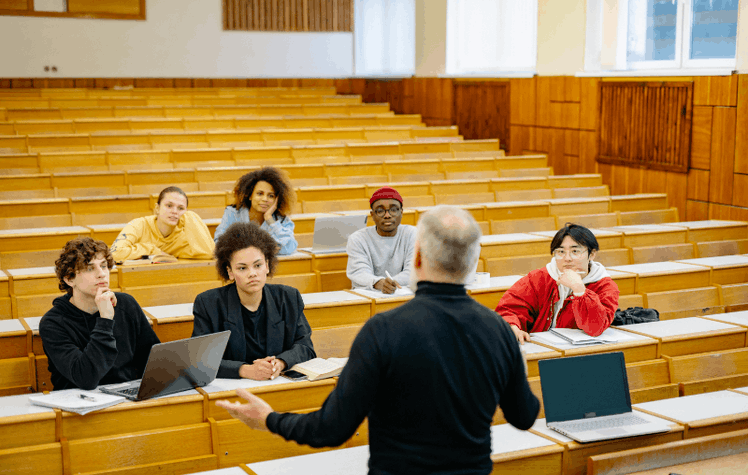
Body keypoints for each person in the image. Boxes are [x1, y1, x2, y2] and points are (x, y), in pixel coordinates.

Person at [217, 206, 540, 475]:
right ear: (472, 262)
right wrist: (515, 361)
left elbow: (331, 428)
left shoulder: (383, 330)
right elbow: (524, 416)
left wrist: (269, 419)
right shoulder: (498, 330)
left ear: (416, 260)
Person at [192, 222, 315, 380]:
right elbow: (200, 360)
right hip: (231, 390)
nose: (252, 274)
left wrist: (281, 362)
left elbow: (306, 347)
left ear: (267, 266)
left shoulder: (288, 297)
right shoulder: (208, 303)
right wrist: (244, 370)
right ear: (229, 272)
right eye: (242, 268)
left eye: (258, 265)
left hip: (276, 384)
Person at [39, 237, 160, 390]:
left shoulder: (126, 305)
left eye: (104, 266)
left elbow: (154, 360)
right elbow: (86, 378)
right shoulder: (53, 323)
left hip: (126, 398)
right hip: (80, 404)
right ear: (70, 279)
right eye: (90, 268)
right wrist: (106, 320)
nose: (102, 274)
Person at [495, 223, 620, 344]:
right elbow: (510, 308)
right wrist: (512, 325)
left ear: (591, 254)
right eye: (560, 252)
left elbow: (595, 328)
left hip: (580, 352)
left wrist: (579, 290)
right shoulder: (540, 278)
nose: (567, 258)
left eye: (575, 251)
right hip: (540, 346)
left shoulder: (605, 286)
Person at [110, 186, 214, 263]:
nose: (174, 211)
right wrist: (153, 250)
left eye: (181, 208)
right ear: (157, 208)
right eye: (169, 206)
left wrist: (190, 216)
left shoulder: (184, 237)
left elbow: (209, 253)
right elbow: (115, 254)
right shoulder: (138, 225)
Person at [346, 186, 417, 294]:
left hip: (403, 294)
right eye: (380, 211)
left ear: (401, 212)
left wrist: (390, 284)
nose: (387, 215)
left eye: (393, 210)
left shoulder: (413, 234)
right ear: (372, 215)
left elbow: (413, 271)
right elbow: (359, 272)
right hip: (369, 295)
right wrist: (379, 283)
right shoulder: (357, 239)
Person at [214, 167, 298, 255]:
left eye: (271, 196)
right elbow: (219, 242)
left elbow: (290, 247)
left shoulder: (281, 219)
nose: (265, 199)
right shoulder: (233, 213)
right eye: (260, 194)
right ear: (250, 196)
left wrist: (270, 220)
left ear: (277, 200)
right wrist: (265, 247)